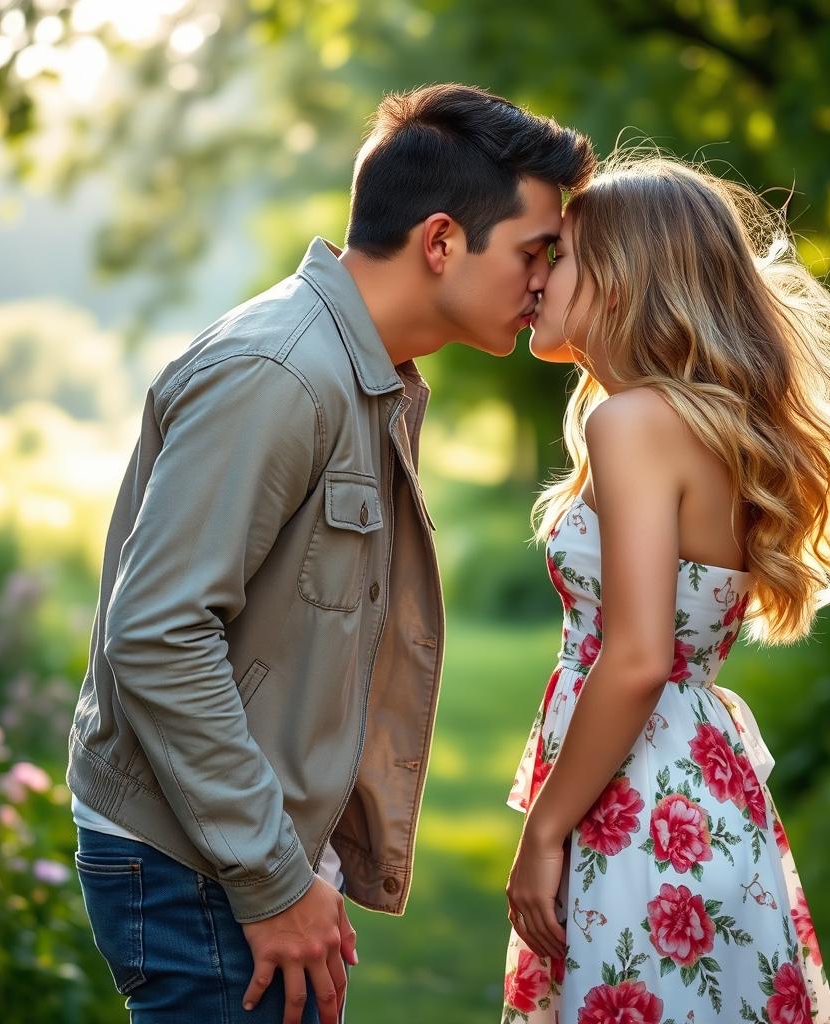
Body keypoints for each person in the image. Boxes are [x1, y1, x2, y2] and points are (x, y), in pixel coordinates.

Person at [65, 82, 595, 1024]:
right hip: (196, 862)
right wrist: (271, 878)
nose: (544, 282)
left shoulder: (368, 378)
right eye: (532, 251)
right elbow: (153, 634)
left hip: (235, 845)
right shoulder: (281, 375)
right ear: (441, 242)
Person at [500, 152, 830, 1024]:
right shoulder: (705, 423)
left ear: (623, 279)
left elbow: (636, 658)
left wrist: (544, 830)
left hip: (634, 794)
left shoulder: (630, 423)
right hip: (703, 788)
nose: (536, 275)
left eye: (558, 254)